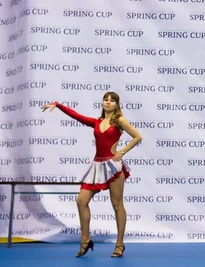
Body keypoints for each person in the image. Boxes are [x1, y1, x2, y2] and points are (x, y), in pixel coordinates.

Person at [41, 92, 143, 258]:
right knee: (81, 200)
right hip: (97, 165)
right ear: (102, 103)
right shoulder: (96, 122)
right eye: (106, 99)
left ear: (117, 105)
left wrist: (122, 151)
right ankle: (85, 240)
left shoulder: (120, 121)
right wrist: (58, 105)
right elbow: (77, 116)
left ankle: (119, 244)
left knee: (117, 204)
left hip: (113, 167)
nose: (108, 102)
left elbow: (138, 136)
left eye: (112, 100)